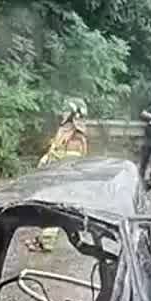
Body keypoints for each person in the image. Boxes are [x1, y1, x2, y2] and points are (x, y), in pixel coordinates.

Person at [30, 99, 90, 252]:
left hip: (61, 180)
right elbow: (54, 152)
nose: (62, 114)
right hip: (52, 177)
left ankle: (47, 243)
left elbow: (69, 165)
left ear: (71, 115)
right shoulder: (64, 131)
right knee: (48, 209)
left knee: (54, 211)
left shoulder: (75, 138)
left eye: (65, 111)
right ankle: (44, 239)